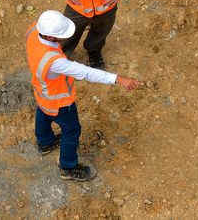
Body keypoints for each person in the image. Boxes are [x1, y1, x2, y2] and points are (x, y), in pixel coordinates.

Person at [26, 10, 142, 181]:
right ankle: (68, 168)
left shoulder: (34, 30)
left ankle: (44, 143)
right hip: (59, 102)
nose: (65, 38)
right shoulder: (54, 62)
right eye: (61, 35)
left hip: (41, 91)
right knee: (72, 130)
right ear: (50, 37)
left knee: (42, 113)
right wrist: (117, 78)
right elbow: (84, 72)